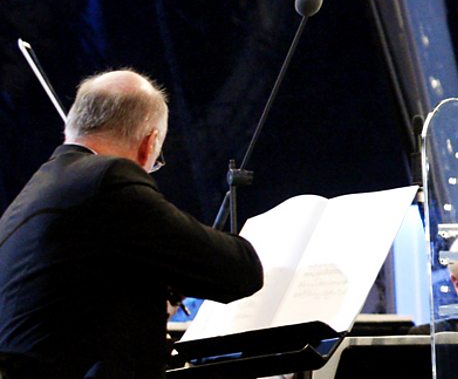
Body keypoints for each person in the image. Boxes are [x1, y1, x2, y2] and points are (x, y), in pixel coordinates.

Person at [0, 69, 263, 378]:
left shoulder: (33, 194)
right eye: (156, 160)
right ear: (149, 144)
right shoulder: (109, 179)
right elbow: (239, 270)